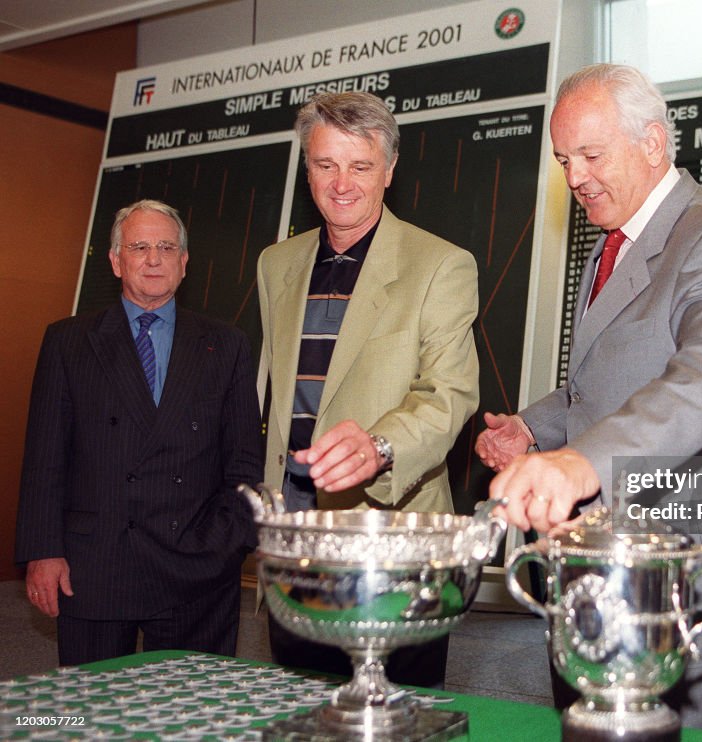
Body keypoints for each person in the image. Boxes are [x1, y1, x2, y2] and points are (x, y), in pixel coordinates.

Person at [475, 63, 702, 737]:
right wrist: (533, 428)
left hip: (694, 585)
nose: (574, 176)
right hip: (604, 574)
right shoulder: (606, 245)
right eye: (563, 159)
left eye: (589, 154)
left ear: (653, 145)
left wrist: (582, 462)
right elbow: (609, 378)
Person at [257, 91, 479, 685]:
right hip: (294, 544)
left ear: (389, 170)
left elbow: (449, 394)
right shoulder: (275, 264)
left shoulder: (441, 265)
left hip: (393, 549)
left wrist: (378, 448)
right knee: (298, 712)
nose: (342, 183)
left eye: (360, 166)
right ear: (306, 169)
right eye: (326, 164)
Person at [15, 199, 262, 666]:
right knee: (89, 721)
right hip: (96, 565)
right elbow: (45, 458)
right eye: (140, 247)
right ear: (115, 260)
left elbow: (245, 459)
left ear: (184, 263)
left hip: (197, 567)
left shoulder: (226, 345)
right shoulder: (68, 342)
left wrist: (229, 544)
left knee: (192, 720)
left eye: (167, 247)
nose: (154, 259)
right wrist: (42, 551)